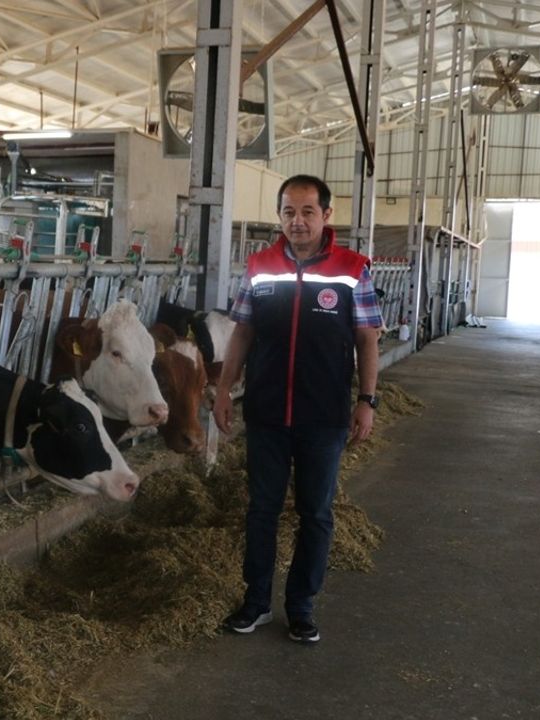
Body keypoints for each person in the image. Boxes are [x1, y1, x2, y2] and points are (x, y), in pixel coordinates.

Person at [213, 174, 382, 644]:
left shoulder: (352, 269)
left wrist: (367, 400)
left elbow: (367, 338)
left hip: (324, 416)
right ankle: (256, 602)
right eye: (289, 212)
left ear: (326, 215)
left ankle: (302, 606)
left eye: (308, 211)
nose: (298, 221)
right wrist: (224, 390)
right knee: (261, 511)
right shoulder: (260, 266)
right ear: (280, 216)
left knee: (316, 513)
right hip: (266, 412)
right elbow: (242, 331)